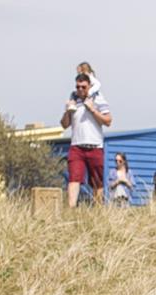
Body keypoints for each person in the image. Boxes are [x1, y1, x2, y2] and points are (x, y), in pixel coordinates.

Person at [60, 73, 112, 207]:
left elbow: (108, 121)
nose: (80, 90)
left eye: (83, 87)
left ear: (89, 86)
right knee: (74, 178)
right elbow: (64, 124)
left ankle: (98, 209)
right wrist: (68, 112)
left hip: (95, 146)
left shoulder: (98, 99)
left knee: (97, 181)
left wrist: (93, 110)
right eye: (78, 87)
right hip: (77, 146)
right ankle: (71, 208)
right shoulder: (73, 101)